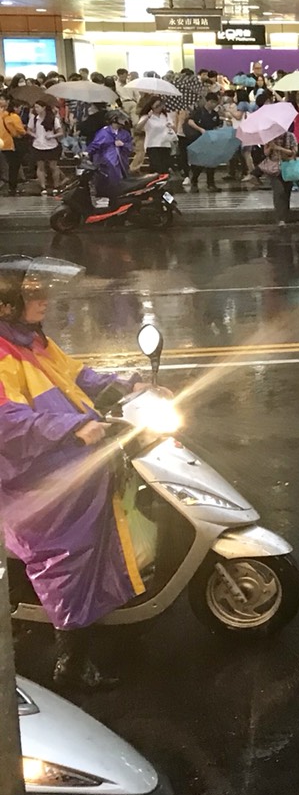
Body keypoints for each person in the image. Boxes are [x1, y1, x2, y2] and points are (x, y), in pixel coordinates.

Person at [0, 256, 158, 689]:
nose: (43, 299)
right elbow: (8, 422)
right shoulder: (2, 354)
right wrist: (75, 428)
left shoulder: (33, 342)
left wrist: (128, 385)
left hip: (63, 456)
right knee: (67, 552)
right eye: (32, 294)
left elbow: (76, 377)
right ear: (6, 305)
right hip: (34, 476)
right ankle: (70, 665)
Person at [86, 112, 134, 198]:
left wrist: (123, 145)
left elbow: (130, 147)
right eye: (121, 119)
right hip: (106, 163)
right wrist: (87, 153)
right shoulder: (103, 132)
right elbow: (95, 145)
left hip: (121, 163)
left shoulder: (125, 133)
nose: (124, 121)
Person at [183, 93, 223, 192]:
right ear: (207, 101)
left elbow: (216, 125)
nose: (213, 104)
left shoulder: (214, 114)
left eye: (215, 103)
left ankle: (211, 183)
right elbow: (190, 121)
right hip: (198, 139)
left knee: (211, 162)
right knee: (198, 162)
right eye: (212, 102)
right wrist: (200, 129)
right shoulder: (198, 111)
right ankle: (195, 180)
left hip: (210, 140)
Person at [28, 101, 64, 195]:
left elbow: (60, 132)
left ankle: (56, 185)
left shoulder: (53, 119)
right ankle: (43, 186)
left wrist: (52, 136)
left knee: (53, 166)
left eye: (38, 107)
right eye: (35, 108)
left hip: (51, 145)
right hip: (38, 145)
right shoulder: (34, 119)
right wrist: (34, 135)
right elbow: (29, 130)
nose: (36, 109)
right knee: (40, 167)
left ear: (43, 107)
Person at [141, 98, 177, 177]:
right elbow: (138, 127)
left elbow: (174, 128)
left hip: (165, 144)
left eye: (160, 105)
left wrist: (171, 126)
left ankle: (163, 184)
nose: (159, 108)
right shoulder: (147, 116)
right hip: (152, 145)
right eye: (157, 106)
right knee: (156, 167)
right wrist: (147, 117)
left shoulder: (165, 116)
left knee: (165, 168)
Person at [0, 94, 24, 196]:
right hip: (13, 144)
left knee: (7, 165)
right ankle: (12, 187)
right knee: (14, 166)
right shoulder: (13, 117)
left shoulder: (2, 115)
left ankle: (9, 185)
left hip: (3, 143)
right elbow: (20, 130)